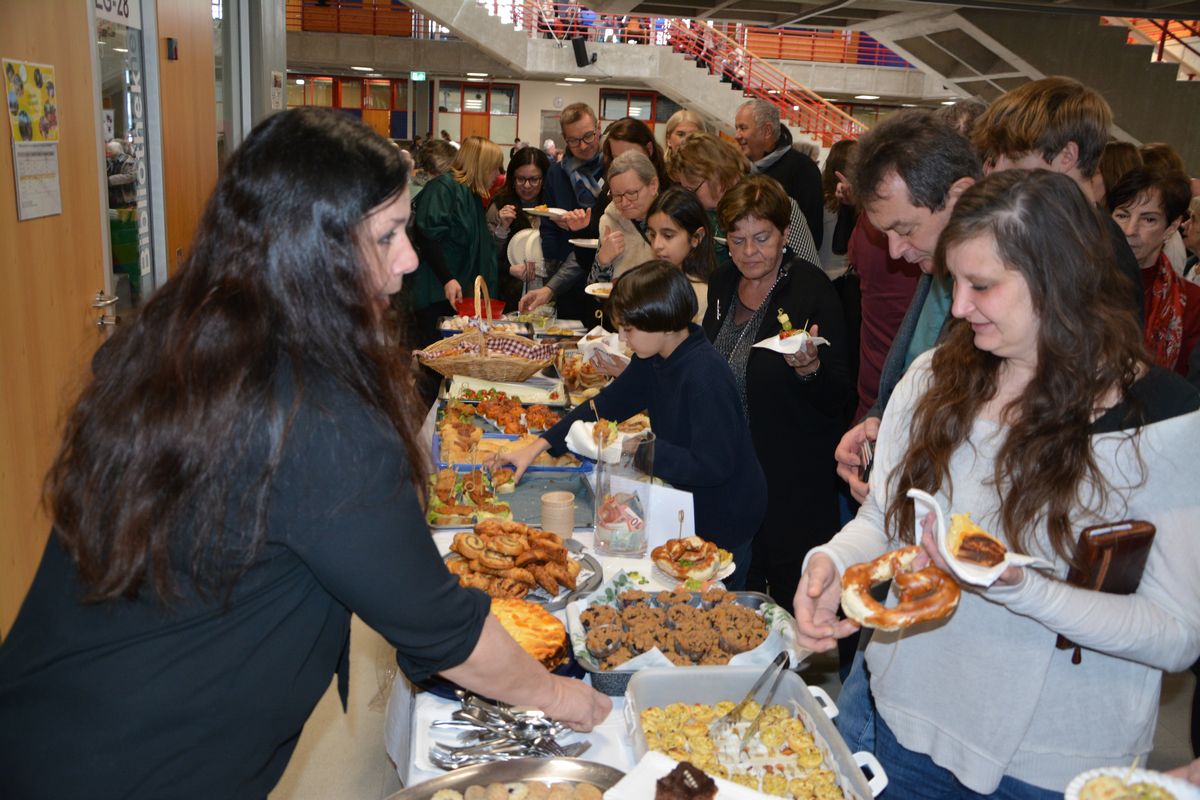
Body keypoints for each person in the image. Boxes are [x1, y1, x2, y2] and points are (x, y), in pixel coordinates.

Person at [0, 108, 610, 798]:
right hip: (131, 763)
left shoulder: (185, 335)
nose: (408, 259)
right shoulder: (317, 415)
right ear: (309, 247)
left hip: (46, 719)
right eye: (387, 235)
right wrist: (571, 702)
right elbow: (444, 629)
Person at [793, 168, 1200, 797]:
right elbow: (885, 522)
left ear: (1059, 280)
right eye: (954, 281)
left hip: (1048, 766)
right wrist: (831, 565)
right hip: (901, 721)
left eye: (981, 285)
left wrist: (1023, 589)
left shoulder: (1161, 419)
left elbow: (1176, 633)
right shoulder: (934, 378)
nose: (957, 307)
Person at [493, 261, 767, 589]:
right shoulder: (655, 356)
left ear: (662, 322)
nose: (622, 339)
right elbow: (605, 405)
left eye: (628, 330)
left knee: (712, 604)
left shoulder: (704, 375)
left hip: (725, 513)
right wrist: (538, 445)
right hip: (690, 503)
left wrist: (641, 449)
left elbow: (713, 465)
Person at [702, 175, 851, 612]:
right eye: (738, 239)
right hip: (731, 470)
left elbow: (839, 394)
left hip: (791, 476)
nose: (750, 251)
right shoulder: (723, 282)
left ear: (785, 235)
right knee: (733, 585)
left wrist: (810, 370)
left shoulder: (812, 290)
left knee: (791, 592)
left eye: (762, 238)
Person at [833, 110, 981, 505]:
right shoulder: (934, 265)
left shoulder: (1017, 301)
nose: (896, 252)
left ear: (960, 196)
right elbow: (909, 373)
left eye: (905, 229)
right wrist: (878, 421)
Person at [970, 76, 1144, 320]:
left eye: (1013, 157)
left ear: (1066, 156)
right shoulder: (1062, 232)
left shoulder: (1098, 251)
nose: (998, 170)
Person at [669, 131, 819, 269]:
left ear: (715, 175)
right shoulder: (703, 214)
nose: (690, 197)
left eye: (692, 189)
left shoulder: (777, 204)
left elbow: (810, 271)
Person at [410, 135, 503, 346]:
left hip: (454, 295)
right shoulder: (443, 188)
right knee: (433, 361)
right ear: (481, 166)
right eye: (495, 167)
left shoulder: (470, 193)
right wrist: (447, 279)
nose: (498, 175)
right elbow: (427, 236)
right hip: (433, 293)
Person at [1108, 167, 1200, 376]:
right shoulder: (1078, 277)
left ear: (1171, 227)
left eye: (1148, 219)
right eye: (1122, 215)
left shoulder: (1192, 305)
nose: (1130, 230)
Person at [520, 103, 605, 317]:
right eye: (574, 141)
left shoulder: (613, 170)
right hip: (565, 278)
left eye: (588, 136)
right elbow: (547, 226)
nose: (583, 146)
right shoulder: (556, 173)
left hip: (605, 275)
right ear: (564, 138)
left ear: (599, 127)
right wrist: (553, 274)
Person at [733, 99, 823, 248]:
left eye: (743, 128)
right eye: (736, 128)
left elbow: (811, 235)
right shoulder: (740, 169)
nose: (737, 135)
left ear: (767, 131)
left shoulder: (802, 169)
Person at [486, 146, 552, 309]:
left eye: (534, 179)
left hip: (548, 293)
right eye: (521, 179)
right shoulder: (499, 205)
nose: (527, 186)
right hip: (508, 295)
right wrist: (502, 229)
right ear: (512, 179)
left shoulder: (555, 206)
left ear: (544, 179)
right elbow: (487, 256)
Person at [647, 186, 716, 322]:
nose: (656, 245)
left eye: (668, 236)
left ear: (696, 237)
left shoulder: (702, 295)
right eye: (653, 235)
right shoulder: (649, 282)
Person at [590, 150, 659, 284]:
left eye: (632, 193)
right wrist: (603, 261)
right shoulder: (610, 221)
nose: (624, 203)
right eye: (617, 196)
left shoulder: (673, 218)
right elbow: (595, 290)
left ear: (653, 186)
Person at [105, 139, 136, 208]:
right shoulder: (111, 162)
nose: (107, 152)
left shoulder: (128, 160)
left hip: (127, 199)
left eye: (109, 150)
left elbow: (131, 176)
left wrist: (110, 180)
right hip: (115, 199)